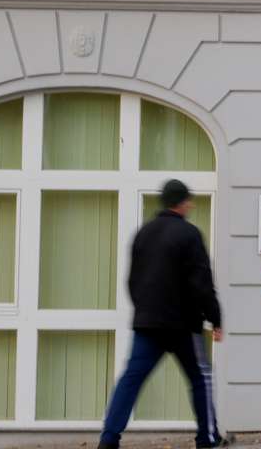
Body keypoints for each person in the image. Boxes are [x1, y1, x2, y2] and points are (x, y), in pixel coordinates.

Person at [99, 179, 227, 449]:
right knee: (200, 379)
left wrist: (144, 309)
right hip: (183, 325)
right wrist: (215, 318)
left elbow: (132, 280)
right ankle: (208, 438)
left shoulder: (143, 234)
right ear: (182, 203)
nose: (191, 205)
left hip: (148, 324)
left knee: (131, 379)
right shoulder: (190, 234)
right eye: (189, 200)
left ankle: (109, 438)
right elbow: (202, 282)